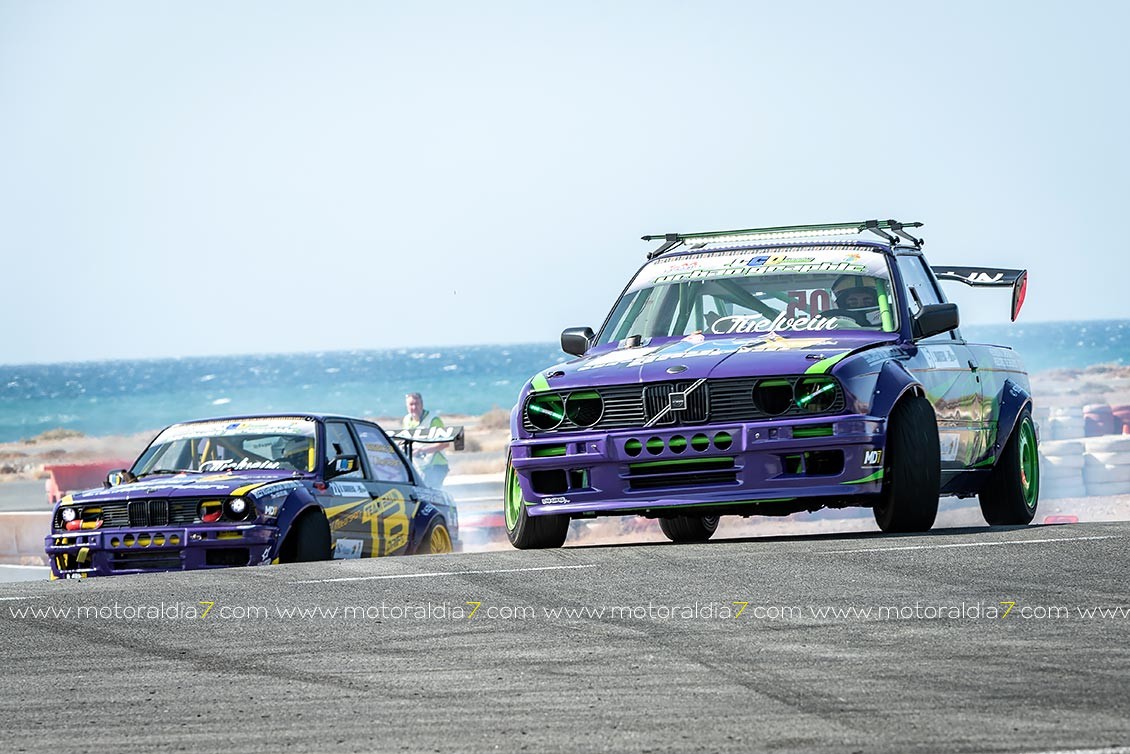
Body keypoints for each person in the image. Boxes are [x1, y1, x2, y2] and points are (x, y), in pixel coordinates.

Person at [403, 392, 450, 488]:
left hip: (436, 464)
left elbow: (444, 443)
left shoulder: (433, 420)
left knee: (429, 491)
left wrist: (421, 450)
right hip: (419, 466)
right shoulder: (406, 420)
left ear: (422, 404)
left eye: (417, 404)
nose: (414, 407)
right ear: (407, 406)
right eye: (411, 404)